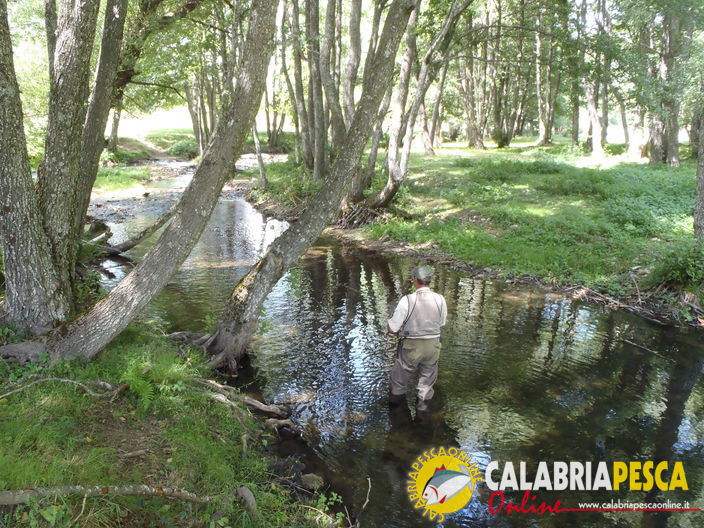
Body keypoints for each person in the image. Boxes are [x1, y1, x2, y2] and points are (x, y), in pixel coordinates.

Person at [387, 265, 447, 411]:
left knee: (398, 380)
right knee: (427, 383)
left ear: (415, 280)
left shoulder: (407, 300)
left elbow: (393, 329)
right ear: (429, 281)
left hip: (411, 347)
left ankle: (396, 410)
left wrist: (390, 324)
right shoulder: (440, 299)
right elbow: (442, 323)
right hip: (433, 346)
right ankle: (422, 410)